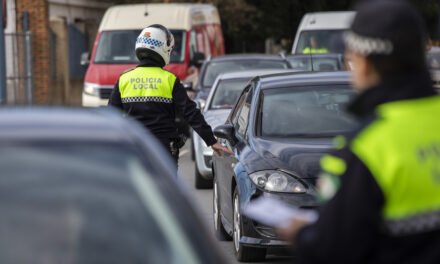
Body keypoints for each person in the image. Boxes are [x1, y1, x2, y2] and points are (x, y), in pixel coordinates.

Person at [279, 1, 440, 263]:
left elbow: (333, 250)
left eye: (350, 57)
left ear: (363, 62)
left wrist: (302, 236)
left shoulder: (366, 147)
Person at [108, 24, 229, 167]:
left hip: (134, 145)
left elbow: (110, 115)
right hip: (163, 148)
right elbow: (190, 113)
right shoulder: (169, 79)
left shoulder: (124, 78)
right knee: (165, 188)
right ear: (163, 49)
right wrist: (211, 141)